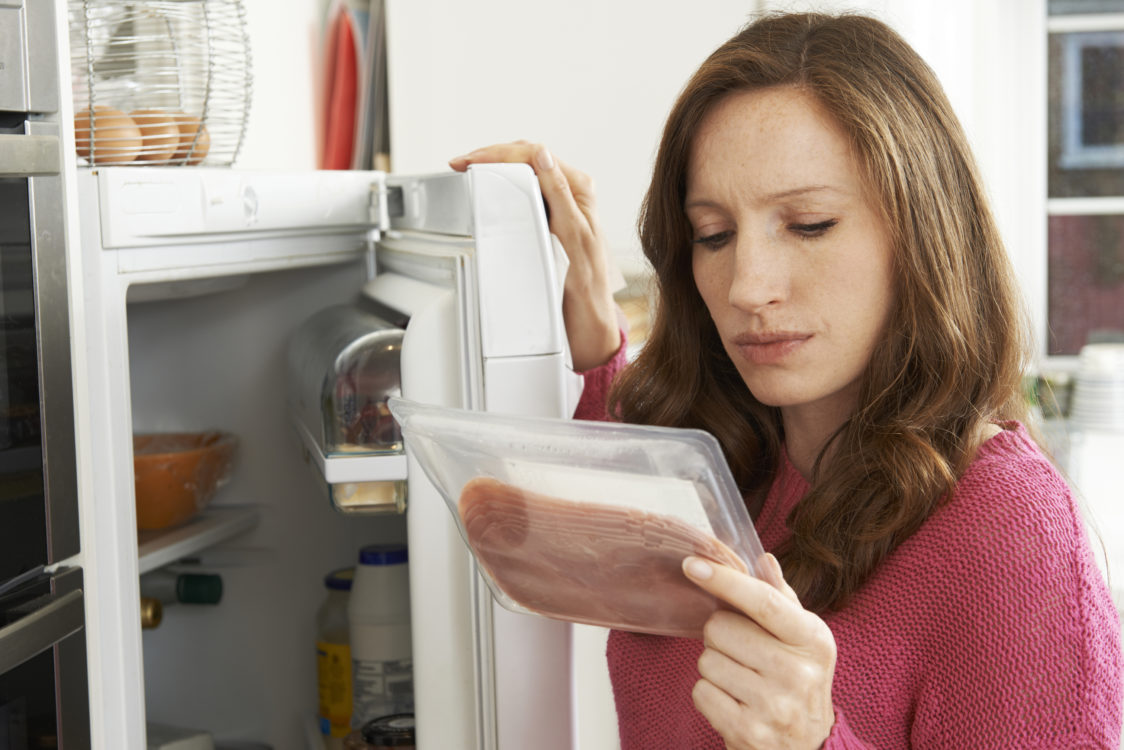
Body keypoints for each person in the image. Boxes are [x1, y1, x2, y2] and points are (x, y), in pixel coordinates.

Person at [450, 11, 1124, 749]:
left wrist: (811, 740)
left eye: (807, 224)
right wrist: (588, 325)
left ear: (923, 234)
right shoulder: (718, 463)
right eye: (714, 234)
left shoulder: (1009, 532)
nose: (747, 286)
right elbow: (572, 524)